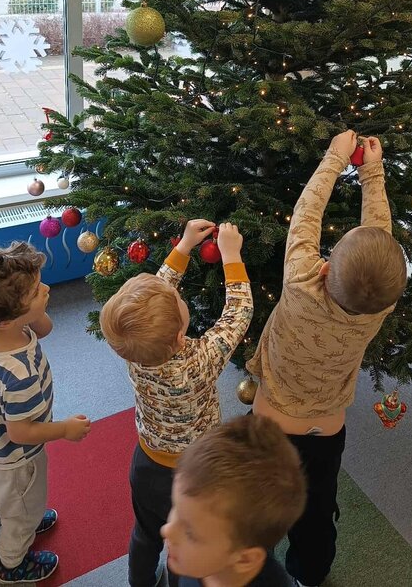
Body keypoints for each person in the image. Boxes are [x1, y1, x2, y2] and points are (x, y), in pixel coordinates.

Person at [247, 131, 407, 586]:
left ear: (326, 265)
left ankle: (252, 566)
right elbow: (380, 236)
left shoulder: (301, 280)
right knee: (316, 510)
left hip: (272, 426)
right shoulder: (379, 308)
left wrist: (336, 158)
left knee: (258, 506)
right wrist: (372, 174)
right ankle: (309, 575)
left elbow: (306, 215)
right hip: (326, 432)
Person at [100, 220, 253, 587]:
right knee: (188, 541)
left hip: (147, 464)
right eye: (180, 303)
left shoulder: (133, 350)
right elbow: (238, 315)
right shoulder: (199, 361)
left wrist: (182, 248)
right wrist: (231, 256)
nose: (179, 297)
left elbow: (155, 297)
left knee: (146, 531)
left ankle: (139, 581)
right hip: (196, 474)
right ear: (180, 334)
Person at [0, 242, 91, 584]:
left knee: (18, 502)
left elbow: (45, 329)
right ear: (8, 320)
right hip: (15, 457)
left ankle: (26, 514)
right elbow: (21, 432)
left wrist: (33, 311)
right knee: (20, 510)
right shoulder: (19, 374)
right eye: (37, 291)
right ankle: (12, 563)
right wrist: (64, 429)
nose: (47, 289)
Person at [162, 414, 306, 587]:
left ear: (244, 559)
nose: (167, 530)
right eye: (176, 508)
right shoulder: (182, 562)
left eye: (190, 533)